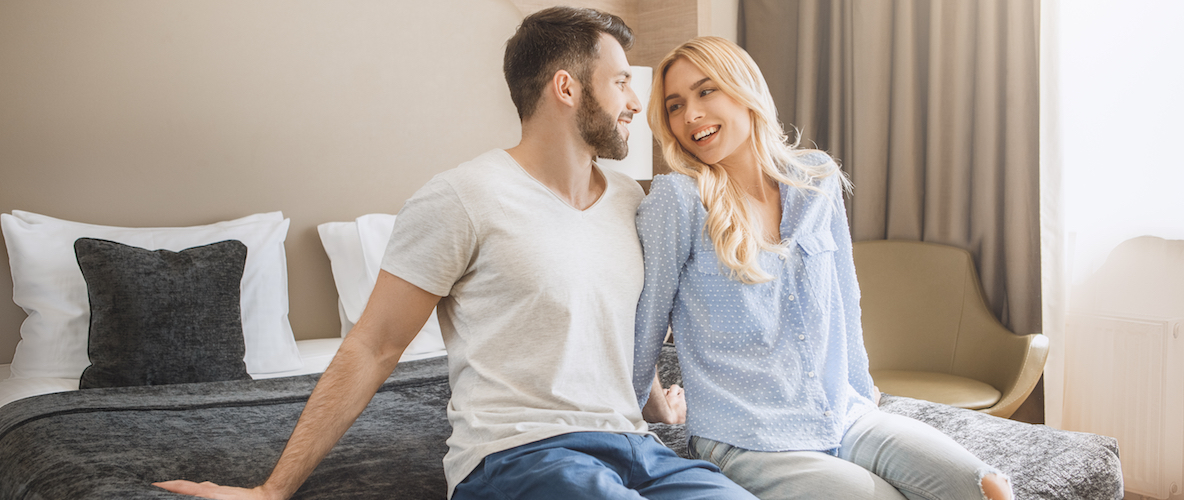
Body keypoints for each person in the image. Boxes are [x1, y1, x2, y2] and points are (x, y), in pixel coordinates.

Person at [155, 9, 755, 500]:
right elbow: (373, 345)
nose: (635, 102)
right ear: (567, 88)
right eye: (622, 80)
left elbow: (623, 324)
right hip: (520, 458)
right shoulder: (463, 198)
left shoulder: (631, 200)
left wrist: (657, 410)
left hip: (634, 447)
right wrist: (271, 491)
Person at [632, 36, 1015, 500]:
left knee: (988, 486)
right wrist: (642, 415)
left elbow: (844, 295)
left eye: (706, 91)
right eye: (675, 106)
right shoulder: (677, 200)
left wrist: (861, 386)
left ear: (745, 88)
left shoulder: (816, 178)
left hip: (844, 412)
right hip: (749, 438)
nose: (690, 115)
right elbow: (644, 325)